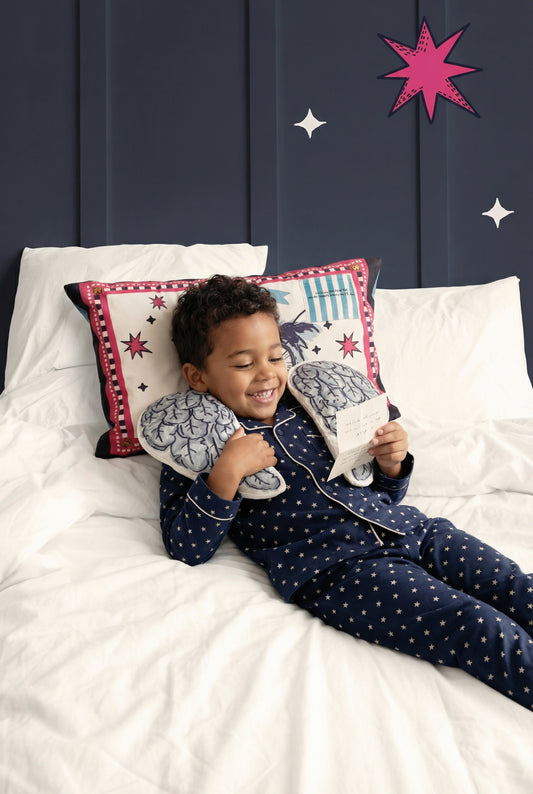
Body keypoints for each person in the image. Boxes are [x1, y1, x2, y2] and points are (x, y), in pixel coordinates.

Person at [160, 274, 533, 710]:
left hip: (414, 530)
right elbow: (186, 548)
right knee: (475, 625)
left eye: (276, 357)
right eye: (244, 364)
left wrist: (392, 464)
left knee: (514, 586)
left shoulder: (312, 408)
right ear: (197, 376)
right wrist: (226, 475)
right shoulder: (196, 445)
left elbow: (383, 493)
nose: (266, 374)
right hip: (341, 569)